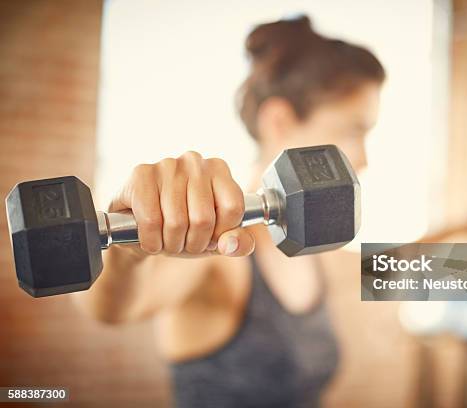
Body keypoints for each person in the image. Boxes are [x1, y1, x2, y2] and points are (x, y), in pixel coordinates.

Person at [74, 15, 385, 407]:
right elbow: (110, 309)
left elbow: (391, 266)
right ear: (280, 120)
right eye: (354, 132)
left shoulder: (311, 246)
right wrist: (128, 250)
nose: (364, 159)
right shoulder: (220, 249)